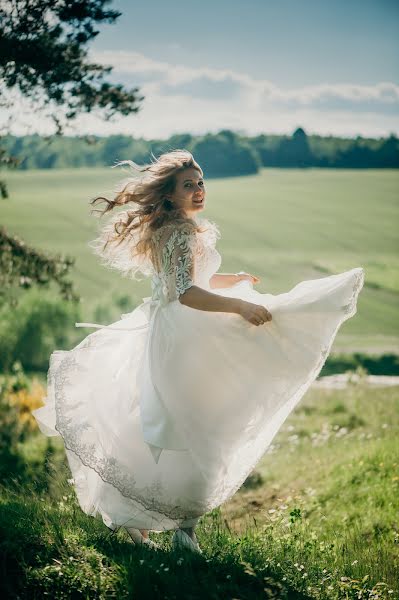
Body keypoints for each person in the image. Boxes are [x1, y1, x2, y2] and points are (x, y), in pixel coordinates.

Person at [32, 150, 364, 553]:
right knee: (188, 427)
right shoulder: (176, 232)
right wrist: (240, 304)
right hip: (181, 337)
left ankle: (162, 522)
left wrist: (233, 280)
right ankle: (176, 527)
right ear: (170, 195)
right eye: (188, 184)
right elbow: (185, 293)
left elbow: (195, 279)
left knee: (189, 423)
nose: (199, 189)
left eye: (201, 181)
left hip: (184, 329)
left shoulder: (183, 229)